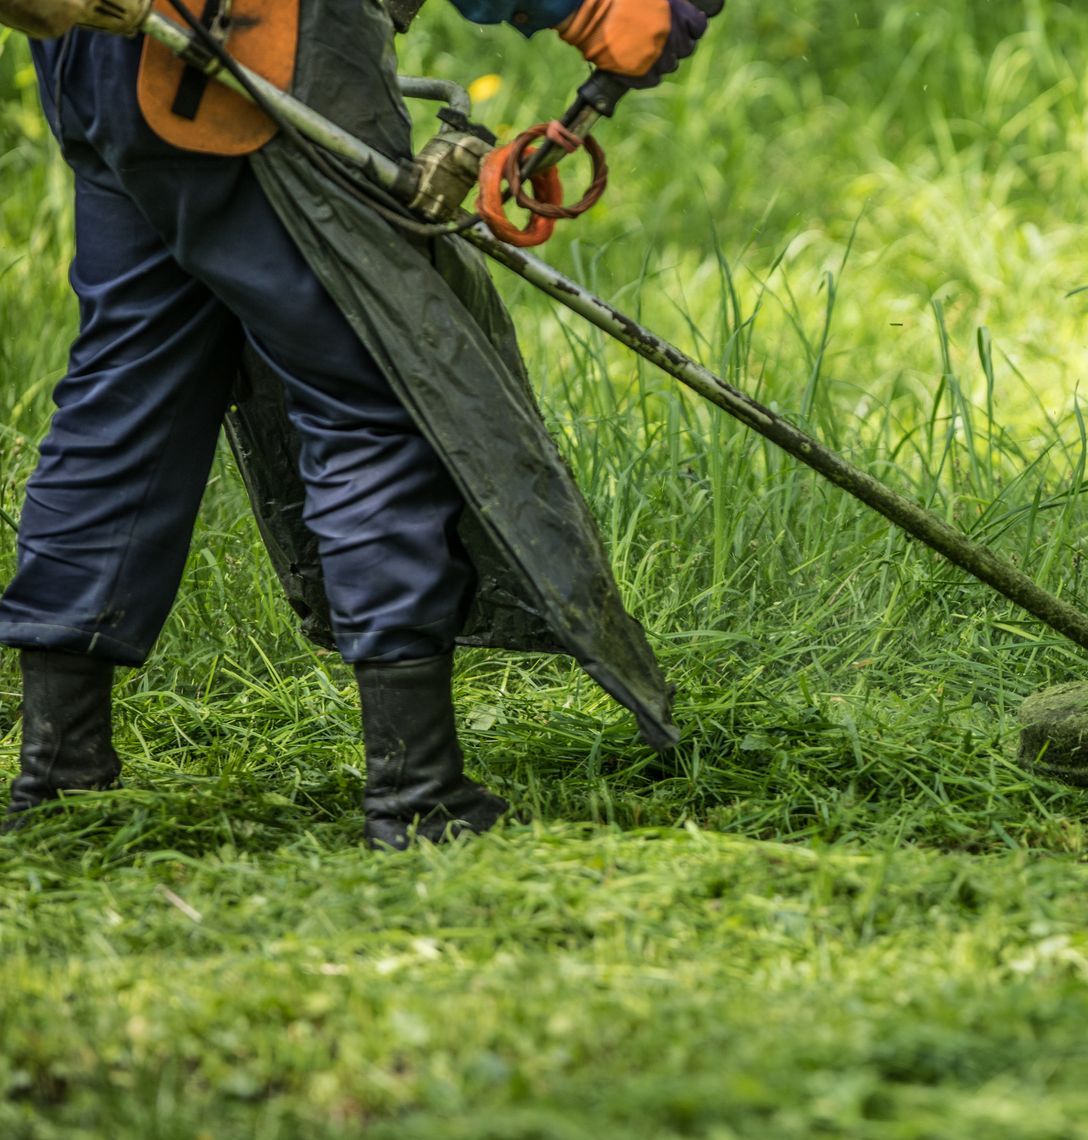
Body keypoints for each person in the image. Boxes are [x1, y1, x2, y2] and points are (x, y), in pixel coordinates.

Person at [0, 0, 718, 846]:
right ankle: (416, 795)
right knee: (377, 395)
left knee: (125, 393)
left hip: (105, 58)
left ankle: (59, 775)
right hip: (241, 45)